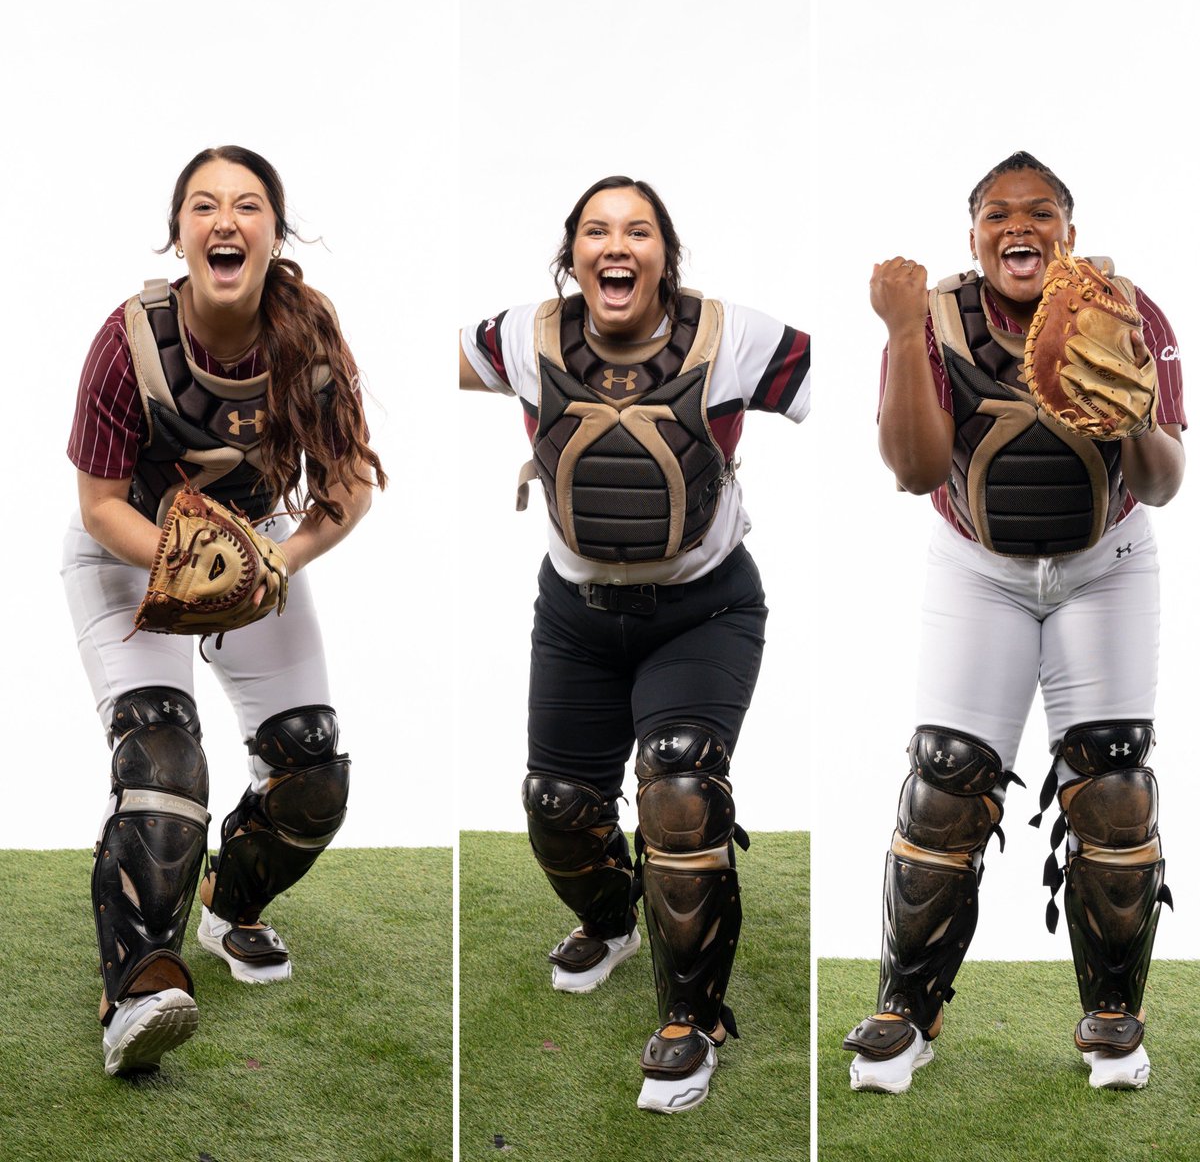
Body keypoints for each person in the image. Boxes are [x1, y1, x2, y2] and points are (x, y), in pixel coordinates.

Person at [459, 175, 810, 1113]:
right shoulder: (521, 337)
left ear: (666, 255)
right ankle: (615, 922)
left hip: (705, 610)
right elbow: (423, 355)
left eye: (640, 231)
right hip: (575, 618)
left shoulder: (735, 337)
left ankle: (691, 1024)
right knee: (557, 807)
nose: (618, 246)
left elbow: (852, 383)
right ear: (571, 256)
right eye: (598, 232)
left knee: (681, 785)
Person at [842, 152, 1185, 1093]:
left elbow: (1161, 484)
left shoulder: (1128, 310)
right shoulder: (938, 317)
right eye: (998, 214)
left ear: (1068, 233)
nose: (1018, 226)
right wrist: (904, 327)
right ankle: (907, 1010)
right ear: (975, 235)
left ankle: (1114, 1015)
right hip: (979, 569)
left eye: (1040, 212)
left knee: (1114, 786)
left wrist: (1135, 415)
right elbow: (915, 472)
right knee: (946, 783)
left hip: (1105, 566)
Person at [63, 145, 386, 1076]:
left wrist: (263, 566)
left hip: (251, 553)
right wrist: (189, 568)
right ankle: (135, 986)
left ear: (275, 232)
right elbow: (99, 504)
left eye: (247, 204)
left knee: (315, 775)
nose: (225, 219)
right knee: (166, 759)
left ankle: (227, 906)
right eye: (203, 205)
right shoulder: (128, 341)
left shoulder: (309, 338)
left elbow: (347, 489)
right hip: (129, 555)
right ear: (180, 234)